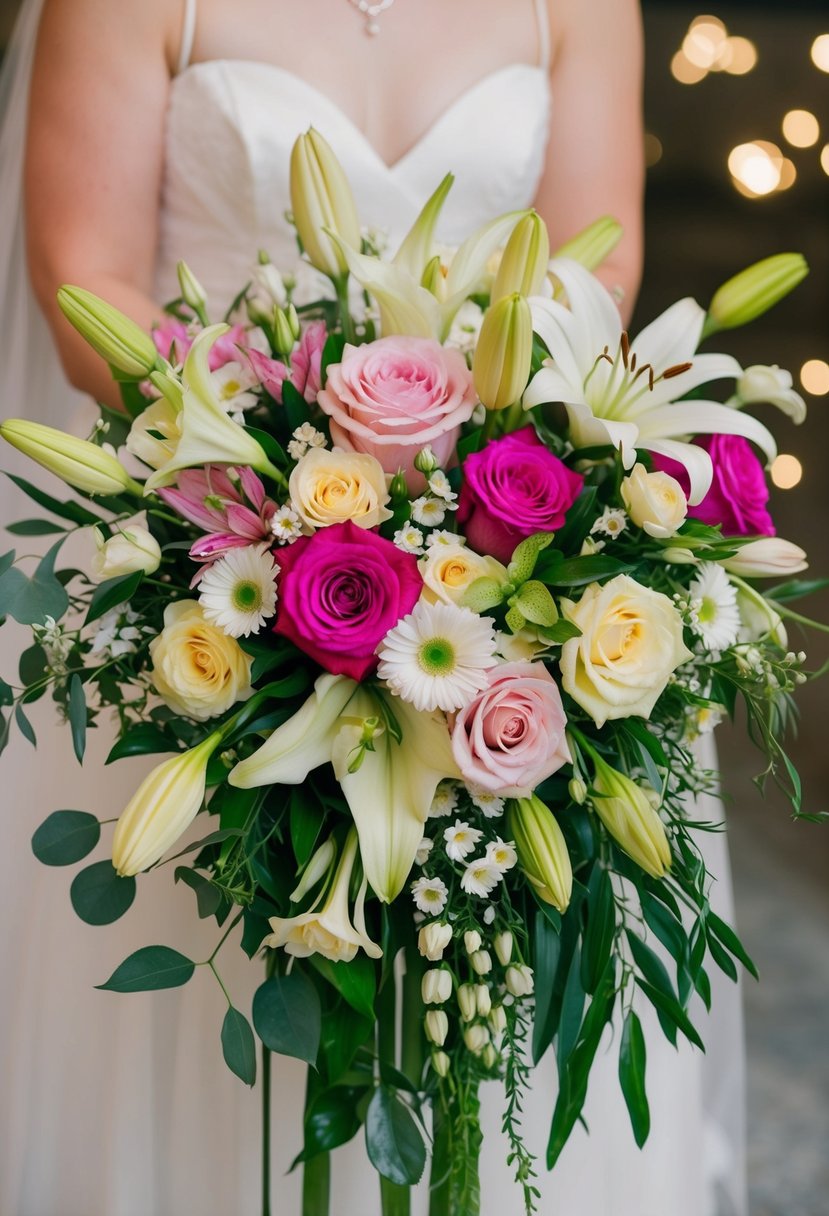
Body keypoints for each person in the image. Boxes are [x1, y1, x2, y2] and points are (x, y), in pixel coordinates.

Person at [0, 1, 745, 1212]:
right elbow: (83, 274)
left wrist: (467, 477)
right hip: (218, 553)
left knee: (496, 971)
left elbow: (596, 263)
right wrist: (286, 454)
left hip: (503, 552)